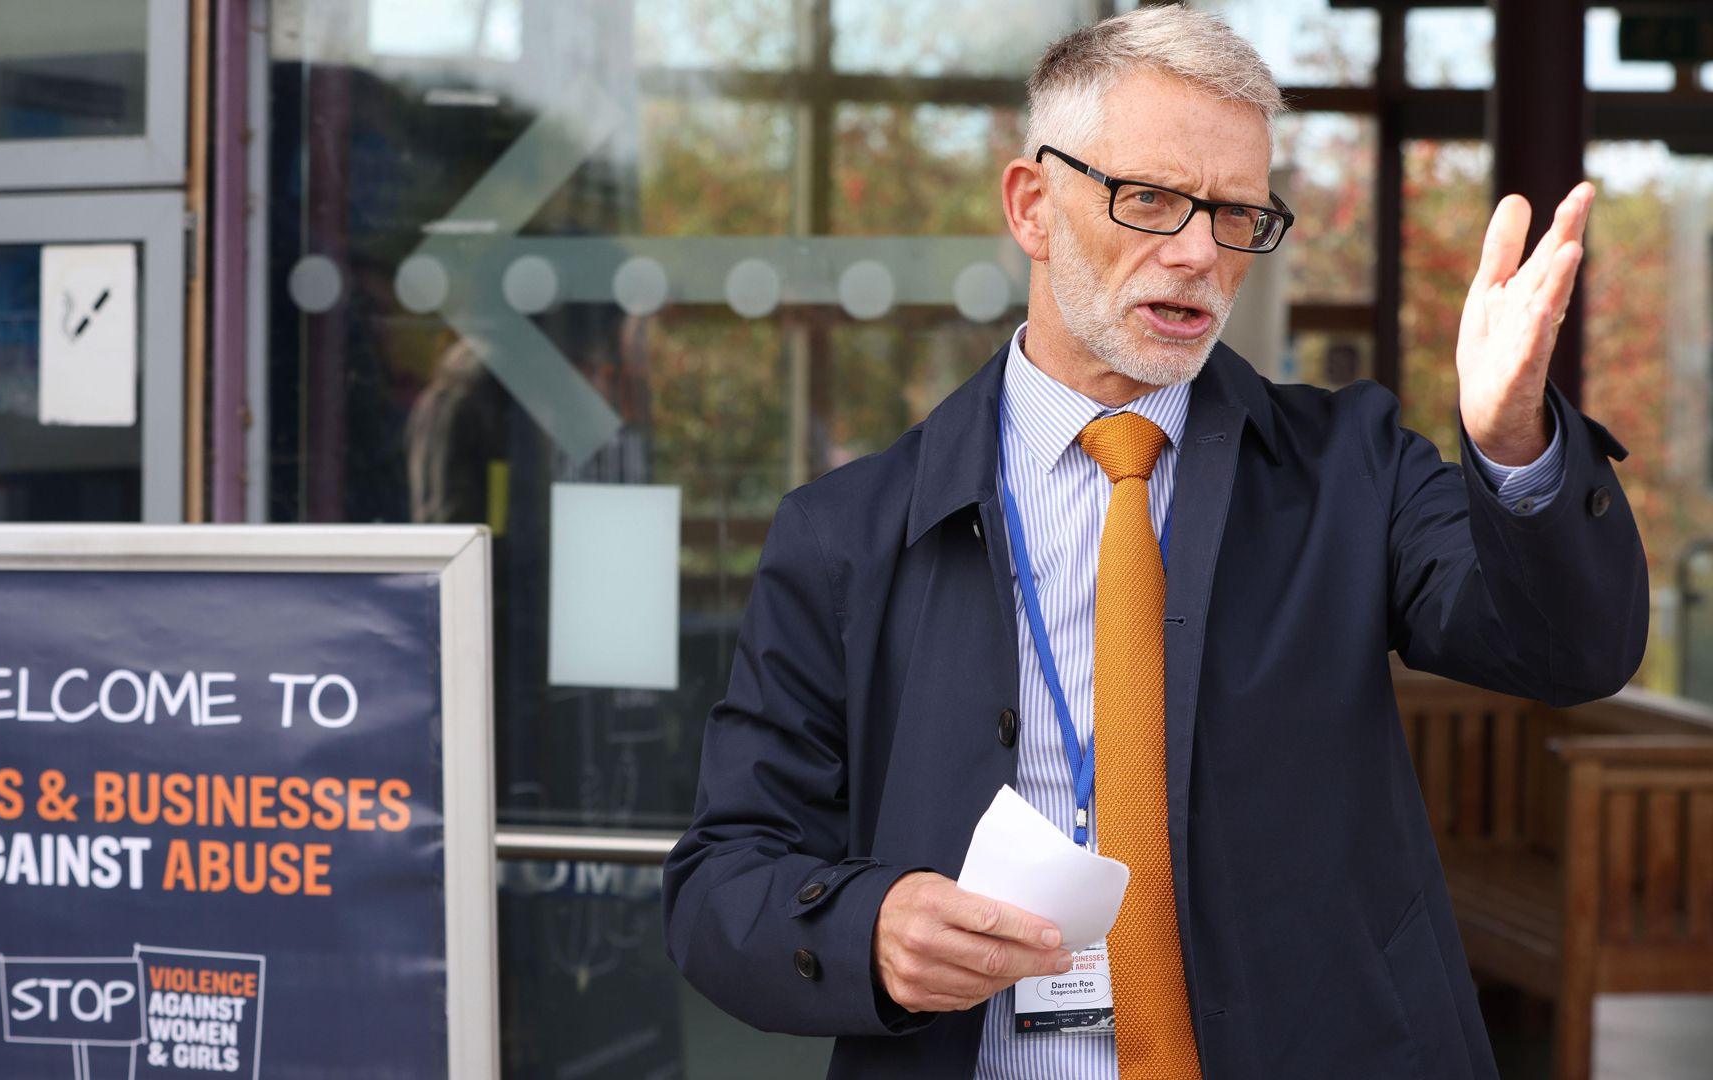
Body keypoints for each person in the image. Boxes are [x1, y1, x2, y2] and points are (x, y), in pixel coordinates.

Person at [662, 7, 1646, 1079]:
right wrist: (870, 928)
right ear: (1032, 205)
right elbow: (723, 881)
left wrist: (1513, 443)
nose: (1197, 254)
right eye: (1151, 200)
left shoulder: (1347, 468)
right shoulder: (846, 535)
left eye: (1236, 215)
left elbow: (1570, 652)